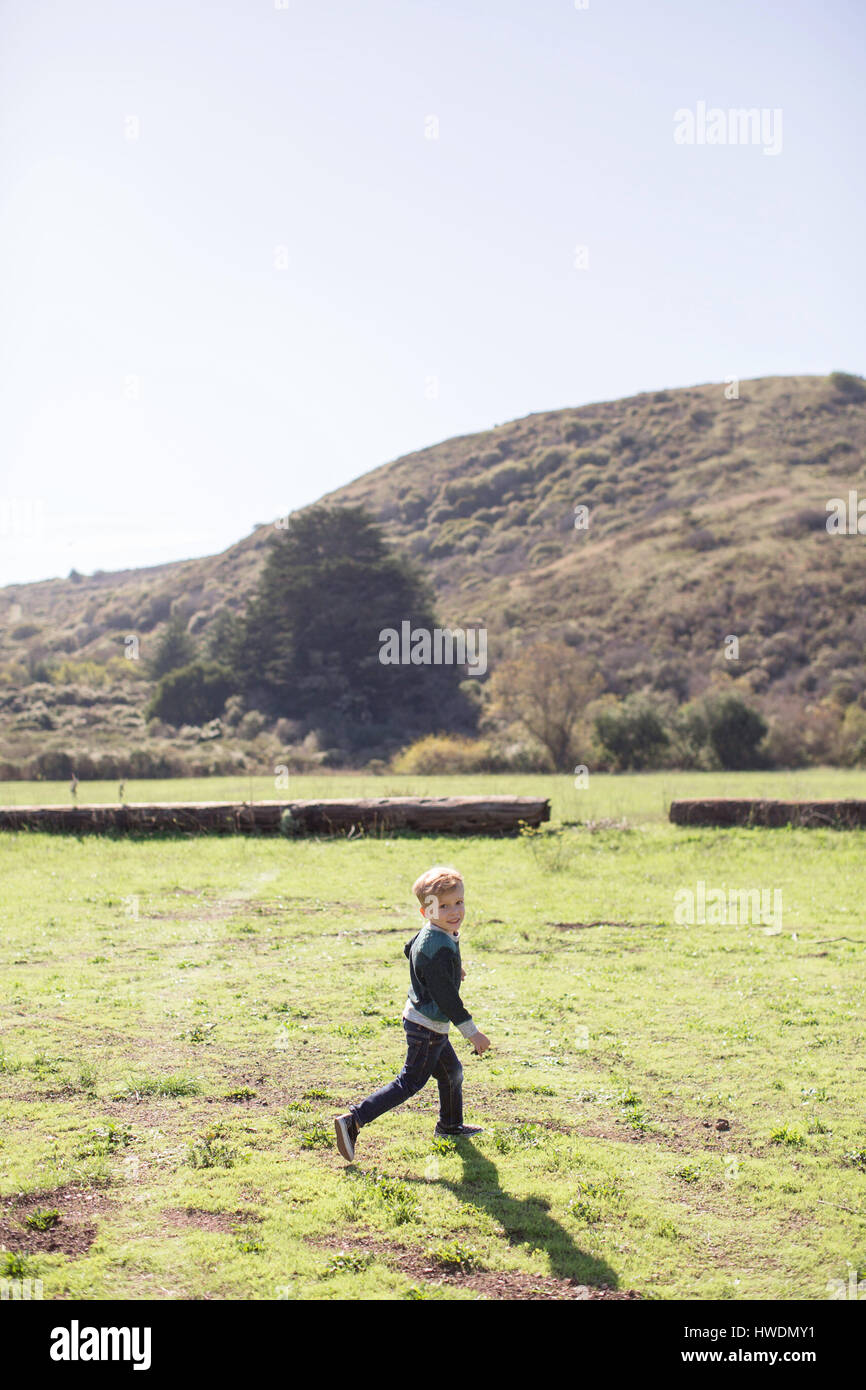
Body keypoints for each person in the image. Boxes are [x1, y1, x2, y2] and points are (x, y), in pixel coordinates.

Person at [334, 865, 490, 1161]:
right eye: (443, 906)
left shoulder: (436, 932)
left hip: (423, 1021)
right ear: (426, 912)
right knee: (409, 1082)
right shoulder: (439, 944)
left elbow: (410, 949)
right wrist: (473, 1034)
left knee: (452, 1072)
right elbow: (448, 1000)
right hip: (428, 1027)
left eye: (458, 903)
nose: (454, 911)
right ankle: (353, 1120)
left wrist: (449, 971)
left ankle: (450, 1125)